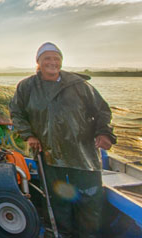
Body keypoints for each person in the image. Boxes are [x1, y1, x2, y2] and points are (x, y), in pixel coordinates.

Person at [9, 42, 117, 238]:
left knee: (90, 199)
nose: (52, 62)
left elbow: (102, 110)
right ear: (38, 62)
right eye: (47, 58)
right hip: (49, 155)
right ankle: (61, 234)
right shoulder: (27, 86)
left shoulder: (79, 85)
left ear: (61, 61)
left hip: (83, 154)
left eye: (56, 58)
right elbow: (16, 113)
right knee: (56, 201)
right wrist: (29, 135)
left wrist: (104, 133)